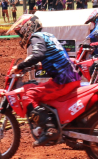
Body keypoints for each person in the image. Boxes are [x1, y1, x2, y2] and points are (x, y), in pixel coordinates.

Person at [9, 15, 81, 146]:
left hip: (63, 81)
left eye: (21, 33)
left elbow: (38, 54)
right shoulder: (48, 35)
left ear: (28, 28)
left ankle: (49, 129)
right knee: (37, 87)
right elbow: (52, 56)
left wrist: (19, 66)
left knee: (29, 94)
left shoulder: (36, 37)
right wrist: (34, 66)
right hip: (70, 77)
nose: (21, 36)